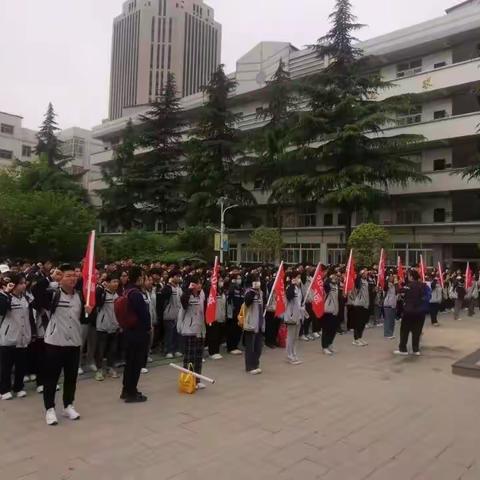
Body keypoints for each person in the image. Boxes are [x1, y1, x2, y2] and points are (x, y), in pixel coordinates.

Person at [42, 264, 88, 426]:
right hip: (55, 342)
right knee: (51, 379)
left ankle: (68, 405)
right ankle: (49, 409)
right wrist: (50, 277)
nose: (72, 278)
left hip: (74, 343)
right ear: (61, 278)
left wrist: (89, 310)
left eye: (74, 275)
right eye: (68, 275)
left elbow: (83, 319)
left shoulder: (80, 296)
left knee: (71, 377)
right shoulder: (52, 295)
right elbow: (35, 292)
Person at [0, 273, 34, 400]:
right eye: (21, 283)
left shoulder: (26, 297)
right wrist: (7, 293)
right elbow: (2, 309)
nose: (24, 285)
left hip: (23, 336)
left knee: (21, 365)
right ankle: (4, 389)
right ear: (13, 284)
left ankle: (19, 387)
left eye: (24, 283)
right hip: (8, 337)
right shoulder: (5, 296)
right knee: (6, 366)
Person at [121, 267, 151, 403]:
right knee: (136, 363)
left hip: (128, 330)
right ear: (139, 278)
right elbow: (144, 315)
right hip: (138, 332)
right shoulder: (136, 294)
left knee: (130, 363)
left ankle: (126, 390)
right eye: (143, 277)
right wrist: (148, 328)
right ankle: (131, 392)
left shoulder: (127, 290)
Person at [177, 276, 207, 389]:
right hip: (189, 330)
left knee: (198, 357)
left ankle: (197, 379)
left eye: (200, 283)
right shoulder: (186, 295)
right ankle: (188, 380)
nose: (200, 285)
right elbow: (183, 302)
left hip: (200, 330)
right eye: (197, 283)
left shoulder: (202, 294)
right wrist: (189, 290)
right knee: (190, 357)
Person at [394, 270, 427, 356]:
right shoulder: (423, 285)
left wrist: (396, 283)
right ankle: (416, 350)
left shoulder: (409, 286)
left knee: (404, 331)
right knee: (417, 331)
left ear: (411, 277)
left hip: (409, 312)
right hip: (420, 312)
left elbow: (399, 290)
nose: (407, 277)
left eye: (408, 275)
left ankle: (403, 349)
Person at [94, 274, 120, 381]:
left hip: (115, 326)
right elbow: (97, 303)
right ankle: (99, 370)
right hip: (103, 326)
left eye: (117, 282)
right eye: (114, 281)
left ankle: (110, 367)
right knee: (101, 349)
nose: (116, 284)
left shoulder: (117, 296)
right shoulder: (102, 293)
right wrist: (101, 287)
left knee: (112, 349)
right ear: (108, 283)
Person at [242, 275, 264, 374]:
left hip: (259, 323)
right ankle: (249, 366)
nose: (258, 282)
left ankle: (256, 364)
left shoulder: (261, 293)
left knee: (258, 347)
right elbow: (247, 302)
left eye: (259, 280)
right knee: (250, 347)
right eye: (256, 281)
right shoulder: (248, 292)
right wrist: (253, 291)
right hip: (250, 324)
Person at [158, 271, 183, 359]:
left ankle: (176, 349)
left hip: (178, 313)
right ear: (172, 277)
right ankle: (168, 350)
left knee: (177, 332)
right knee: (169, 333)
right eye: (176, 276)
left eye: (179, 276)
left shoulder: (179, 288)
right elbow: (163, 300)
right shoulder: (167, 288)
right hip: (169, 313)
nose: (178, 278)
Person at [285, 273, 304, 365]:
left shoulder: (299, 289)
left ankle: (294, 353)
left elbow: (300, 301)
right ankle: (289, 356)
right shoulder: (290, 288)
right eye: (298, 278)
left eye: (300, 278)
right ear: (293, 279)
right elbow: (289, 296)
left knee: (296, 337)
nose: (299, 279)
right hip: (291, 315)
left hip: (299, 315)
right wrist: (292, 285)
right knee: (290, 337)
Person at [207, 278, 227, 360]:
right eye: (220, 281)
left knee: (218, 335)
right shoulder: (212, 291)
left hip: (220, 316)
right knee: (213, 335)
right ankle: (212, 352)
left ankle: (216, 351)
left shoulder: (221, 291)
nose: (221, 282)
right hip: (213, 317)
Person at [322, 273, 340, 355]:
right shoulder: (327, 285)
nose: (335, 277)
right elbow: (325, 285)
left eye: (336, 276)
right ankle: (324, 347)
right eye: (334, 276)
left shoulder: (336, 285)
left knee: (333, 329)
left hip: (335, 310)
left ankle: (330, 344)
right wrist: (329, 278)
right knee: (326, 329)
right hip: (327, 310)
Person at [226, 274, 244, 355]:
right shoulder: (232, 288)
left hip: (240, 313)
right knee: (232, 330)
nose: (239, 280)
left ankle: (235, 346)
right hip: (233, 313)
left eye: (240, 278)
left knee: (238, 330)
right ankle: (231, 347)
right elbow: (229, 301)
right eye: (238, 278)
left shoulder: (241, 289)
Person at [352, 270, 370, 346]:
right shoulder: (359, 281)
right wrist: (359, 275)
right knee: (358, 323)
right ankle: (356, 339)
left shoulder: (366, 281)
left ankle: (360, 337)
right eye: (365, 273)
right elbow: (356, 284)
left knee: (362, 323)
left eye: (366, 273)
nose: (366, 274)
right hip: (358, 304)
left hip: (365, 304)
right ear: (361, 274)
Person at [383, 275, 398, 339]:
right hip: (388, 304)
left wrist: (396, 283)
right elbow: (385, 288)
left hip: (393, 304)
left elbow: (397, 291)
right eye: (391, 277)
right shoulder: (388, 285)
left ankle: (391, 333)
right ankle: (387, 334)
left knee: (392, 320)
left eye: (394, 277)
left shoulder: (394, 285)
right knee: (388, 320)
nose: (393, 278)